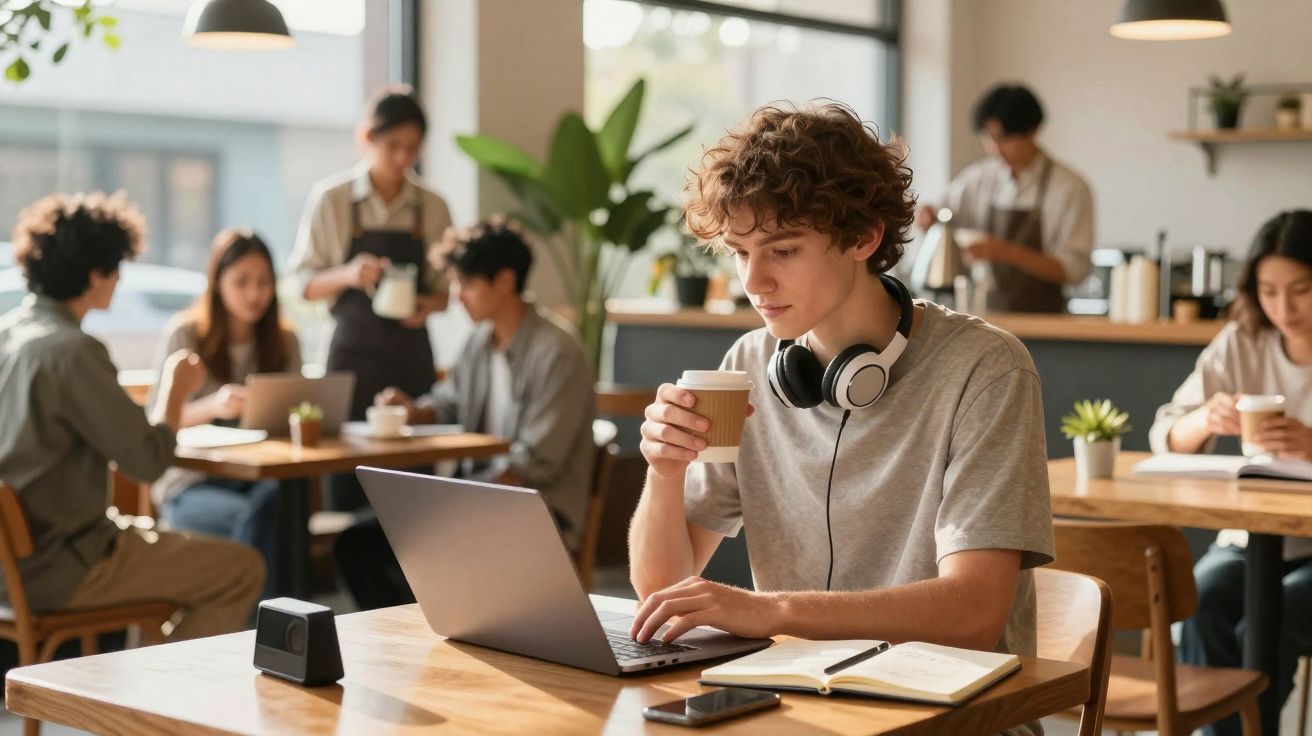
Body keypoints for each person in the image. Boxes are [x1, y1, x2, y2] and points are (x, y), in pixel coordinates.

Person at [627, 102, 1054, 736]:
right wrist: (664, 473)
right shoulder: (748, 361)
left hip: (952, 719)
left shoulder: (985, 369)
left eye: (784, 249)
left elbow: (974, 611)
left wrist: (768, 611)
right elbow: (662, 592)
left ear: (863, 238)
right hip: (792, 708)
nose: (755, 280)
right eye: (740, 252)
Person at [0, 192, 264, 640]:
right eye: (117, 269)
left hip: (12, 567)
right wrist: (175, 391)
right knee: (242, 570)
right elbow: (148, 462)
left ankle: (144, 683)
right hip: (64, 567)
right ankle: (160, 701)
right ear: (96, 275)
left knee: (170, 550)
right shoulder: (73, 351)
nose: (119, 280)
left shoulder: (11, 333)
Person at [334, 219, 596, 610]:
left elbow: (535, 461)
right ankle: (423, 631)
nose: (456, 296)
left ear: (505, 281)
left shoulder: (557, 353)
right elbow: (450, 401)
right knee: (354, 543)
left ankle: (435, 626)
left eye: (466, 284)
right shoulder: (479, 341)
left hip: (535, 512)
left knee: (421, 545)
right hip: (479, 501)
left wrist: (457, 503)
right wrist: (414, 410)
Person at [1149, 210, 1312, 736]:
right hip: (1250, 539)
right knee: (1202, 602)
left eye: (1301, 290)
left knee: (1276, 616)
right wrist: (1204, 419)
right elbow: (1167, 432)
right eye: (1268, 291)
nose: (1283, 308)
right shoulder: (1243, 340)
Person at [289, 84, 453, 509]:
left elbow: (446, 293)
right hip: (350, 361)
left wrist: (425, 306)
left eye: (412, 148)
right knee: (348, 485)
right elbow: (301, 285)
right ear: (367, 138)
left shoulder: (432, 207)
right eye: (393, 145)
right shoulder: (333, 200)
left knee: (416, 492)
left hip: (411, 360)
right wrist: (348, 273)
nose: (402, 158)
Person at [148, 228, 301, 598]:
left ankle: (272, 626)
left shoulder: (284, 341)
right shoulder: (185, 335)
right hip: (191, 485)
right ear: (217, 283)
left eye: (264, 282)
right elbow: (156, 420)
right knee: (270, 514)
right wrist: (213, 405)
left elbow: (295, 409)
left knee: (280, 499)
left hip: (258, 477)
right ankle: (278, 626)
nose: (254, 293)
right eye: (242, 281)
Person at [916, 83, 1094, 313]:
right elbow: (943, 209)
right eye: (988, 138)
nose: (995, 149)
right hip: (984, 316)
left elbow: (1074, 270)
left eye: (1003, 139)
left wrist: (1006, 252)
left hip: (1047, 322)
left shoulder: (1069, 188)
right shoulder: (980, 179)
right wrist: (929, 215)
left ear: (1031, 131)